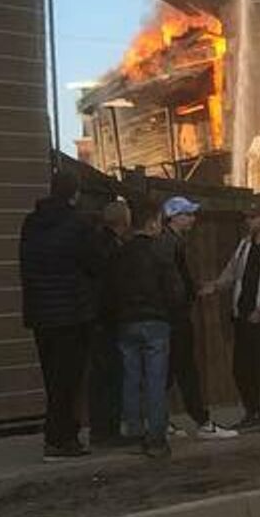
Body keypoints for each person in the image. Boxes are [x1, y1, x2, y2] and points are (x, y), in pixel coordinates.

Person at [18, 166, 104, 461]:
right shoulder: (77, 224)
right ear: (75, 193)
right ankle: (61, 438)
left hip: (41, 313)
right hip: (71, 311)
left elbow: (27, 265)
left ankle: (60, 435)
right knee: (68, 378)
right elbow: (94, 263)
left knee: (52, 376)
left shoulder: (31, 224)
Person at [104, 197, 186, 459]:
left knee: (131, 378)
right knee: (155, 380)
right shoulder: (160, 252)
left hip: (127, 321)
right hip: (155, 320)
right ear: (153, 223)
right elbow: (176, 291)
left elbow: (111, 290)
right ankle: (156, 438)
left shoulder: (119, 253)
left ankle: (134, 429)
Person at [153, 196, 237, 439]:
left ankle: (161, 419)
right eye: (187, 214)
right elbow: (175, 281)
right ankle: (202, 420)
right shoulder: (172, 244)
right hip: (175, 315)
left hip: (167, 315)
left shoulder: (166, 241)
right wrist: (191, 293)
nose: (192, 218)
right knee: (185, 368)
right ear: (174, 217)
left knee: (169, 370)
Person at [203, 206, 260, 432]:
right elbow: (232, 271)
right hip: (242, 313)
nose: (249, 221)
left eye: (254, 217)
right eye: (248, 218)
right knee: (242, 367)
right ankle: (252, 411)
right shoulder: (244, 245)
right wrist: (216, 285)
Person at [85, 197, 132, 448]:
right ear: (124, 222)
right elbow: (115, 285)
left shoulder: (94, 242)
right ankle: (108, 430)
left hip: (94, 316)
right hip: (107, 317)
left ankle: (99, 428)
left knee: (99, 375)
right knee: (111, 375)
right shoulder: (114, 248)